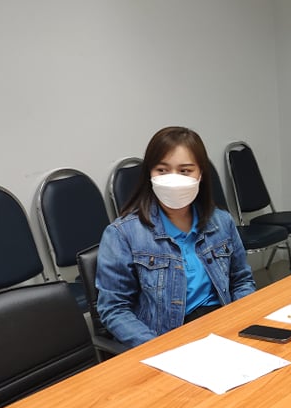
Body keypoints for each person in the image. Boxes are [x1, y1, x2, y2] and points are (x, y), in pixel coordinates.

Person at [96, 126, 256, 348]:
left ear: (200, 174)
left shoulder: (222, 221)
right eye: (162, 170)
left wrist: (244, 318)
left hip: (223, 326)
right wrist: (159, 348)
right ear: (150, 175)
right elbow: (114, 309)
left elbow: (241, 281)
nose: (173, 180)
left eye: (185, 171)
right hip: (164, 337)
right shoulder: (122, 234)